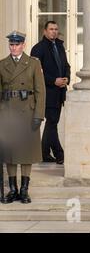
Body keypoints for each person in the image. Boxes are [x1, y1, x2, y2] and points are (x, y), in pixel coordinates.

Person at [0, 31, 46, 204]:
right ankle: (13, 190)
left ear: (23, 45)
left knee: (26, 152)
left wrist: (39, 115)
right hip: (8, 113)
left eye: (17, 44)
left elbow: (41, 91)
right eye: (11, 44)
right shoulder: (2, 64)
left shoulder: (33, 63)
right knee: (10, 153)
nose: (14, 47)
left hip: (27, 112)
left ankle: (24, 190)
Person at [31, 21, 70, 165]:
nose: (54, 31)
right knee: (52, 121)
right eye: (51, 29)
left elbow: (66, 65)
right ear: (44, 31)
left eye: (56, 29)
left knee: (52, 122)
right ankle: (59, 154)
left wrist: (67, 78)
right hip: (46, 92)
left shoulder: (60, 46)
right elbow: (36, 74)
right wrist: (54, 81)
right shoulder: (38, 49)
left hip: (60, 92)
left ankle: (44, 153)